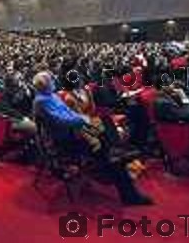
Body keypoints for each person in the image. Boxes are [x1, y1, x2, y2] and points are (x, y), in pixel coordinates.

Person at [32, 71, 153, 205]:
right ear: (45, 85)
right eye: (51, 81)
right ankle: (128, 193)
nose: (54, 82)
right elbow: (61, 120)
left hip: (73, 131)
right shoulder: (41, 101)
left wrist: (82, 119)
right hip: (65, 140)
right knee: (110, 156)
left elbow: (69, 113)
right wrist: (83, 119)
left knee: (106, 125)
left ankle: (115, 152)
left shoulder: (51, 96)